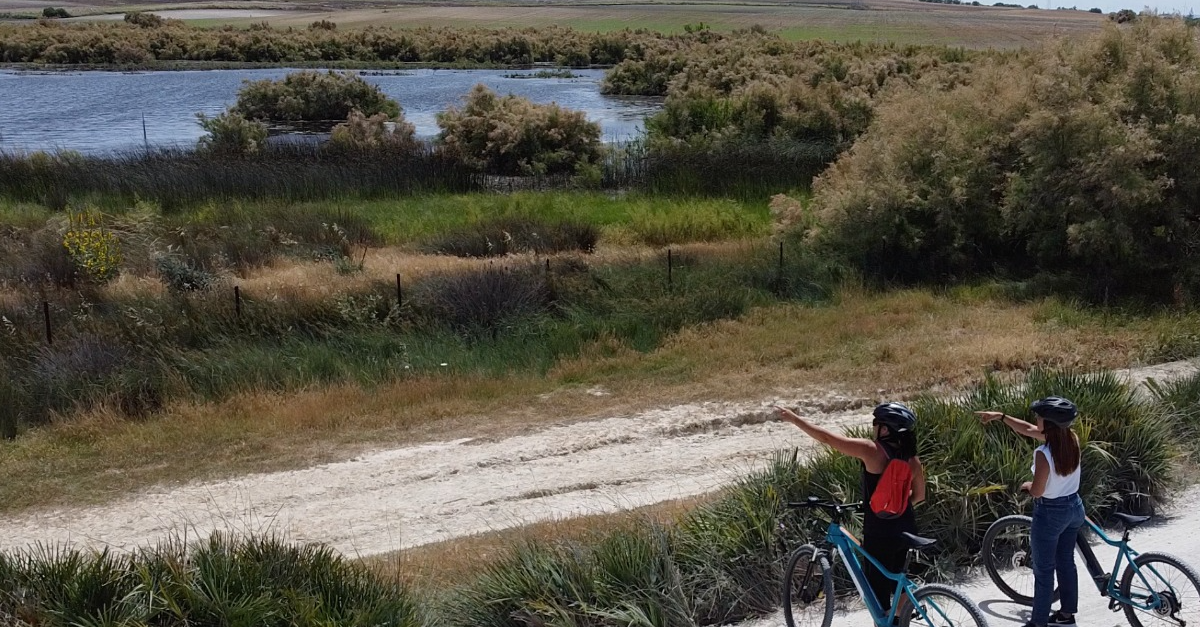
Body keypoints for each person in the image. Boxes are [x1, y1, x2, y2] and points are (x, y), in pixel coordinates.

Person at [777, 401, 926, 614]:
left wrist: (794, 419)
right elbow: (919, 496)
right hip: (907, 527)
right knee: (899, 582)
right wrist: (898, 505)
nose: (874, 428)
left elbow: (827, 438)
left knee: (878, 597)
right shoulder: (913, 460)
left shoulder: (872, 450)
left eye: (876, 423)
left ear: (885, 429)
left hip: (880, 532)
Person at [976, 397, 1084, 627]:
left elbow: (1037, 491)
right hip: (1074, 508)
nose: (1036, 420)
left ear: (1050, 423)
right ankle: (1066, 615)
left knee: (1044, 571)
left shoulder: (1043, 453)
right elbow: (1027, 429)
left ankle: (1038, 622)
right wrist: (1001, 417)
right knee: (1066, 561)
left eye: (1039, 417)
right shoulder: (1070, 439)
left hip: (1051, 513)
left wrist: (1027, 486)